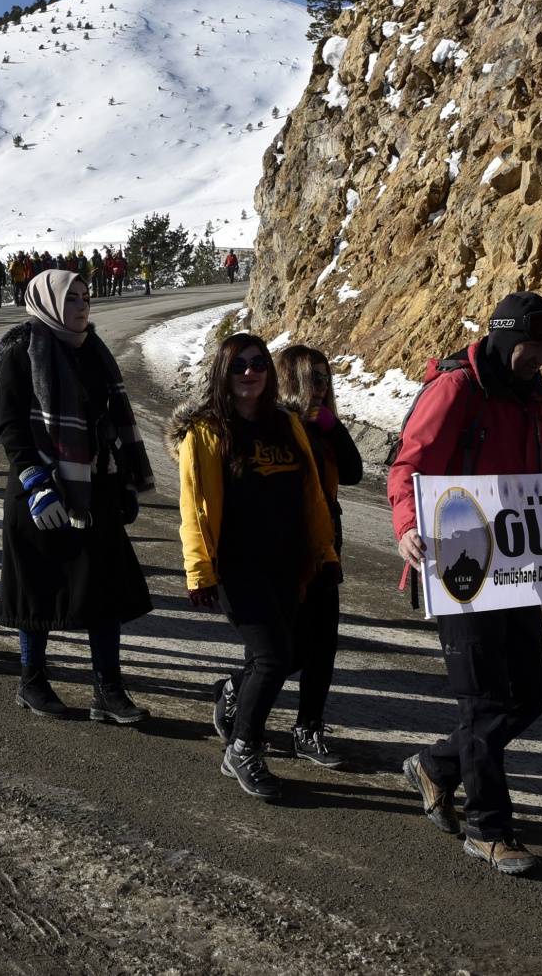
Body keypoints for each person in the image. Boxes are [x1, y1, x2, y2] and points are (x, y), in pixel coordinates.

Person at [389, 292, 542, 875]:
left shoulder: (538, 397)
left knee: (529, 695)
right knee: (485, 701)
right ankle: (488, 829)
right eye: (533, 346)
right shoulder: (457, 389)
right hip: (458, 564)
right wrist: (407, 525)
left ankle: (436, 766)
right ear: (505, 337)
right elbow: (408, 465)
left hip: (517, 569)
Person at [172, 335, 339, 799]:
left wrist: (325, 553)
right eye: (238, 365)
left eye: (258, 363)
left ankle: (233, 691)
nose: (250, 372)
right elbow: (193, 508)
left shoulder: (288, 424)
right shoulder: (206, 431)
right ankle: (243, 748)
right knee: (272, 658)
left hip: (287, 564)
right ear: (222, 374)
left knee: (297, 653)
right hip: (237, 567)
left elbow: (313, 497)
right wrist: (198, 571)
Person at [0, 271, 157, 723]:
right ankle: (32, 681)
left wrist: (123, 481)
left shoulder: (93, 349)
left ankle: (108, 690)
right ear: (47, 302)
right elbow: (10, 426)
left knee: (103, 588)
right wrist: (35, 481)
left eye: (86, 298)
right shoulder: (20, 352)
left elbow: (108, 423)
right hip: (41, 488)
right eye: (72, 299)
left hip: (94, 485)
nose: (83, 306)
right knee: (38, 588)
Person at [273, 344, 364, 767]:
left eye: (327, 378)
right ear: (291, 380)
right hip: (288, 549)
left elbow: (354, 472)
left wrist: (332, 425)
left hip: (327, 547)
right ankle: (236, 693)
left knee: (324, 644)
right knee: (289, 646)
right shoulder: (277, 425)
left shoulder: (323, 425)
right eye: (314, 378)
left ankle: (308, 727)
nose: (323, 386)